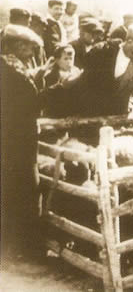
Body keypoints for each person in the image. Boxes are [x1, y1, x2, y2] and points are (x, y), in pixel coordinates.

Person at [69, 25, 133, 141]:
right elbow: (84, 83)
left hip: (118, 115)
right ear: (129, 42)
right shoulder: (101, 51)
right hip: (92, 112)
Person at [0, 25, 47, 262]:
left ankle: (9, 246)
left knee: (10, 189)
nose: (31, 52)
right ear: (16, 46)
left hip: (10, 139)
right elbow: (31, 101)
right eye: (28, 47)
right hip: (19, 141)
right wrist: (59, 89)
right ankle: (25, 249)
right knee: (26, 189)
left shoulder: (9, 67)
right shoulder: (12, 70)